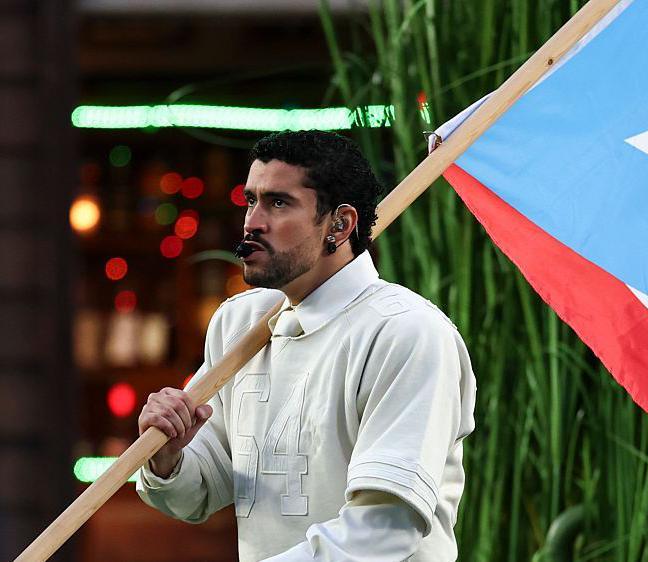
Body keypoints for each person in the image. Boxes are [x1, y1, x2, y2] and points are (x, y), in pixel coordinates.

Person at [135, 130, 476, 561]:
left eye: (278, 202)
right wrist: (166, 456)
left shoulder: (406, 333)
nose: (252, 222)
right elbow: (196, 494)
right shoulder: (237, 323)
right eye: (250, 200)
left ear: (341, 223)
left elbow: (385, 529)